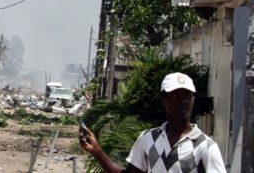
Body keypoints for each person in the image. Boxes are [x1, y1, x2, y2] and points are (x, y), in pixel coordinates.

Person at [79, 72, 225, 173]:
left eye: (188, 96)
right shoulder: (148, 139)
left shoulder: (205, 146)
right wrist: (97, 151)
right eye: (176, 96)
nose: (183, 102)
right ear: (164, 100)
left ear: (193, 100)